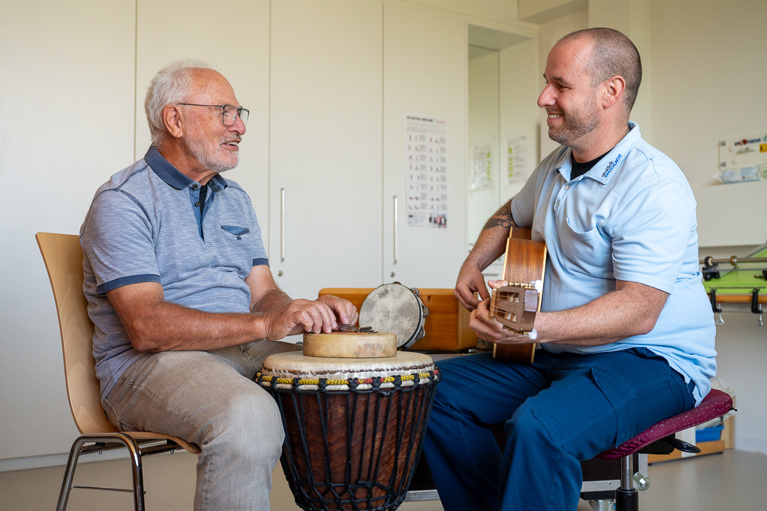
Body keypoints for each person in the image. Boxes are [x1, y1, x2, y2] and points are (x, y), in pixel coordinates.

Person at [422, 28, 716, 511]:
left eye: (560, 85)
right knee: (427, 390)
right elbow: (510, 215)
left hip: (650, 358)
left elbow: (638, 311)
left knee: (541, 429)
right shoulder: (556, 166)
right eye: (546, 83)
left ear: (611, 92)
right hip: (558, 351)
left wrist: (531, 327)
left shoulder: (652, 183)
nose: (543, 97)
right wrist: (475, 260)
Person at [80, 61, 358, 510]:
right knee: (249, 416)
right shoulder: (121, 202)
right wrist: (265, 325)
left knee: (347, 386)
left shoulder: (236, 199)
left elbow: (264, 293)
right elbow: (147, 327)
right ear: (174, 120)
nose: (240, 126)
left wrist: (298, 311)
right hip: (148, 365)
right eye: (224, 112)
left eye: (240, 112)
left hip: (242, 349)